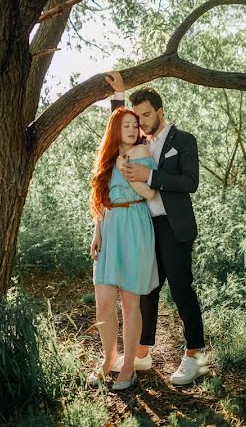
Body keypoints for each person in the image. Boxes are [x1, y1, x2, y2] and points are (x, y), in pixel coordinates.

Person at [104, 71, 207, 386]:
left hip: (174, 229)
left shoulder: (184, 140)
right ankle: (142, 352)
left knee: (180, 289)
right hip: (144, 227)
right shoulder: (138, 139)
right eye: (138, 116)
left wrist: (149, 177)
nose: (142, 121)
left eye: (147, 114)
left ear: (160, 111)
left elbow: (191, 182)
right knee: (145, 289)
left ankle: (195, 356)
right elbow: (117, 128)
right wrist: (118, 96)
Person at [88, 107, 159, 391]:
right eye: (127, 125)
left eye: (135, 125)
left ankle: (128, 366)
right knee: (103, 301)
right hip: (109, 227)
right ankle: (109, 359)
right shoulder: (106, 160)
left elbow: (151, 193)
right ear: (115, 128)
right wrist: (96, 233)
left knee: (130, 303)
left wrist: (131, 176)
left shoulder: (142, 153)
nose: (133, 129)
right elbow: (100, 201)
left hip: (134, 227)